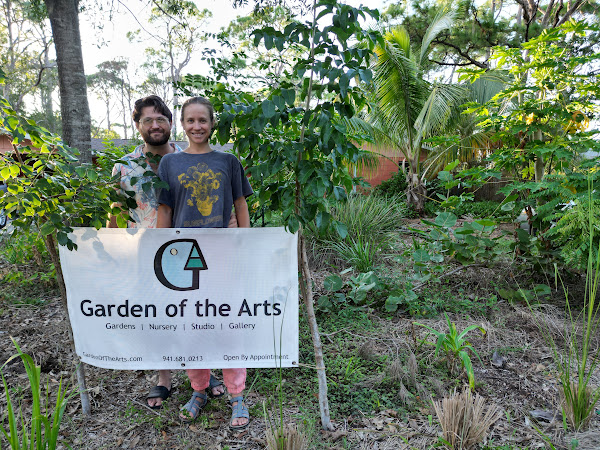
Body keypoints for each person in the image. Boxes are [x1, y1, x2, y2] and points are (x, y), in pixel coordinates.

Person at [108, 95, 228, 409]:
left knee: (194, 312)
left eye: (161, 119)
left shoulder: (188, 159)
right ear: (138, 125)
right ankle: (164, 378)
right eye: (147, 120)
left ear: (171, 123)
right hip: (143, 254)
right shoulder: (124, 167)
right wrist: (111, 251)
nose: (155, 125)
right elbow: (117, 212)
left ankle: (203, 373)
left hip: (188, 250)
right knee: (157, 316)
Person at [156, 96, 252, 429]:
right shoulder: (169, 164)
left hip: (222, 255)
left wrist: (246, 244)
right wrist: (157, 251)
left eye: (203, 121)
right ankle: (199, 388)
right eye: (191, 121)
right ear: (182, 124)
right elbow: (165, 210)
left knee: (227, 324)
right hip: (183, 257)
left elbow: (240, 204)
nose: (197, 126)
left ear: (212, 124)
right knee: (190, 326)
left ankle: (236, 394)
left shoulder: (228, 161)